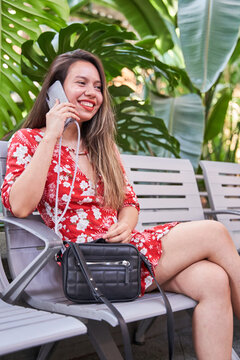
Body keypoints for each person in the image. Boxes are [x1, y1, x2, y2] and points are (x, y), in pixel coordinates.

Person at [1, 49, 240, 360]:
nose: (91, 93)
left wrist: (126, 223)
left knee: (213, 279)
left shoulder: (102, 147)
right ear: (55, 91)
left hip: (126, 256)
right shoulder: (29, 141)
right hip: (88, 265)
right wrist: (52, 136)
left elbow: (128, 202)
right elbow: (19, 206)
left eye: (98, 86)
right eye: (81, 83)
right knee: (213, 231)